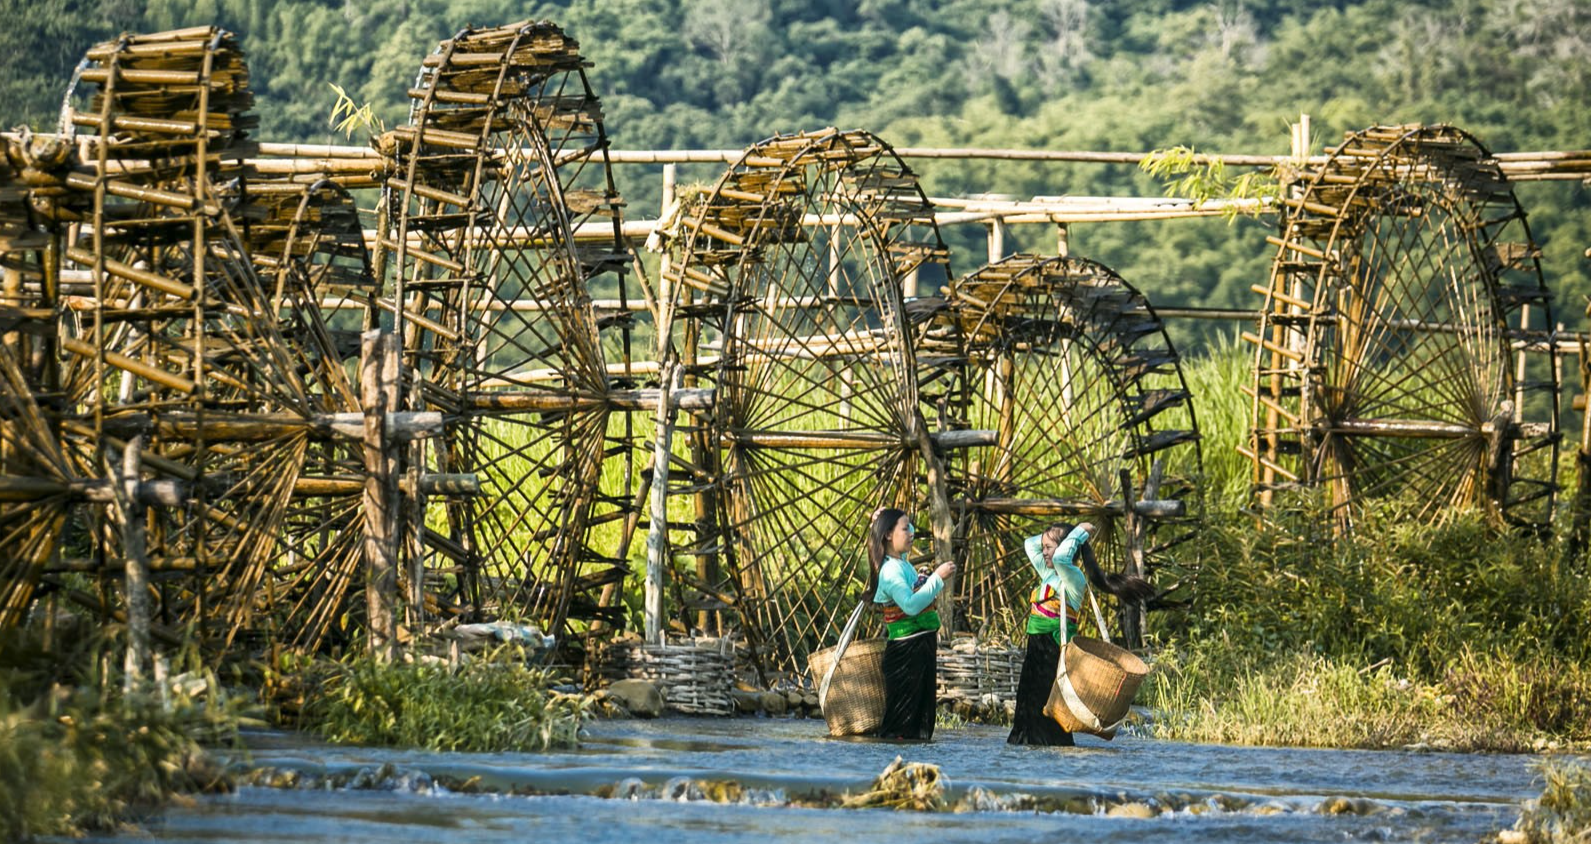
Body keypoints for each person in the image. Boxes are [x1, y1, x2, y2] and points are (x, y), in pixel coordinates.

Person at [1006, 521, 1153, 746]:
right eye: (1043, 547)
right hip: (1036, 649)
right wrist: (1064, 533)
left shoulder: (1072, 577)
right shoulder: (1047, 573)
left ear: (1066, 547)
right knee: (1027, 700)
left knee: (1050, 705)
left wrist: (1078, 534)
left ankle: (1050, 747)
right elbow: (1029, 544)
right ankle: (1023, 745)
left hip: (1055, 648)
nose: (1043, 552)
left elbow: (1061, 558)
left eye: (1048, 547)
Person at [865, 507, 956, 741]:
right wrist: (937, 578)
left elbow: (891, 536)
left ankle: (913, 767)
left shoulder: (901, 562)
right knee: (902, 723)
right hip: (906, 652)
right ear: (887, 535)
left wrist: (878, 521)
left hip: (920, 647)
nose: (911, 533)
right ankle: (896, 771)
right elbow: (911, 606)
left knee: (920, 716)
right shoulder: (889, 571)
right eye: (905, 529)